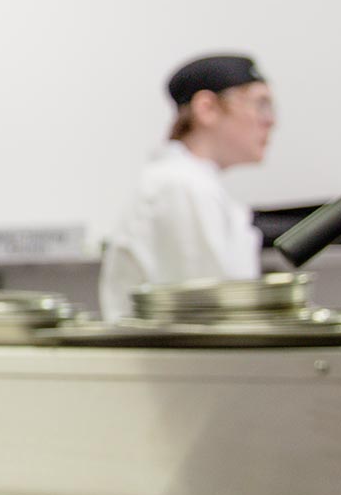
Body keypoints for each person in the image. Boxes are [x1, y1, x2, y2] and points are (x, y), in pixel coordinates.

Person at [100, 53, 277, 306]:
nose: (271, 121)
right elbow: (209, 313)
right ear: (207, 108)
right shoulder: (182, 186)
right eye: (260, 104)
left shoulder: (191, 184)